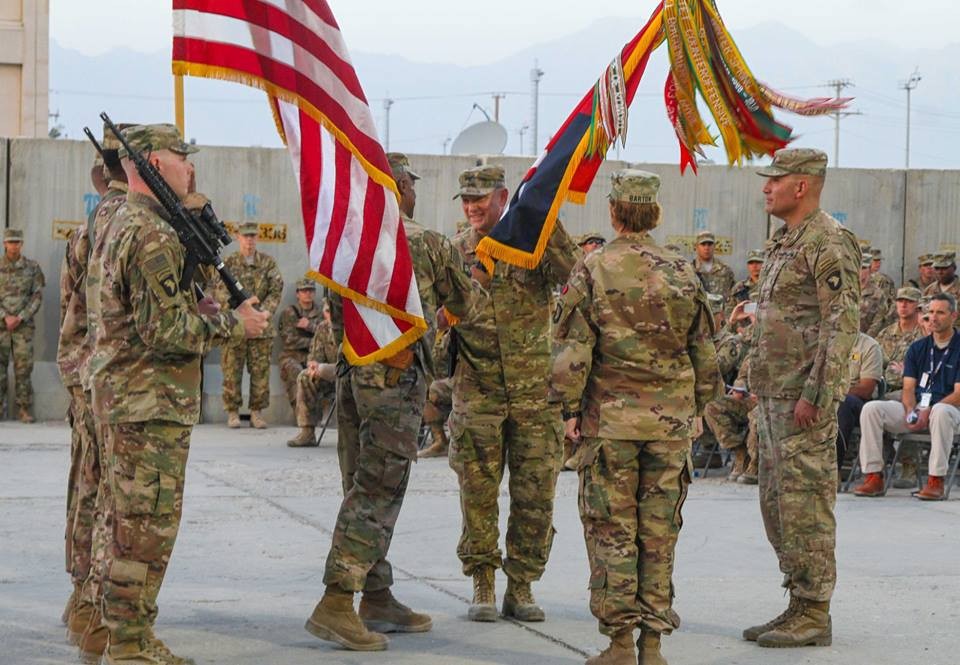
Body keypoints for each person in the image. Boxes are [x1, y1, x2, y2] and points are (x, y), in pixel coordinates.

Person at [86, 123, 268, 664]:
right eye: (180, 158)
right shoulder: (152, 235)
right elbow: (164, 332)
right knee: (144, 530)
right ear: (150, 166)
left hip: (125, 398)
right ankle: (129, 645)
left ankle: (110, 633)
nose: (190, 167)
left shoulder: (118, 220)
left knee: (117, 522)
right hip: (148, 403)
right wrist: (238, 326)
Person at [303, 152, 475, 651]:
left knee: (360, 483)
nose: (414, 193)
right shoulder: (425, 241)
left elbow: (335, 314)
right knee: (378, 490)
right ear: (397, 187)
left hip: (354, 375)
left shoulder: (346, 243)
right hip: (395, 384)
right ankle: (337, 601)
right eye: (410, 184)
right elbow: (466, 304)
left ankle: (376, 595)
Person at [549, 169, 721, 665]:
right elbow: (703, 351)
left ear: (614, 212)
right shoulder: (683, 270)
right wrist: (699, 407)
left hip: (611, 425)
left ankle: (620, 643)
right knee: (659, 532)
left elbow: (574, 351)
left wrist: (566, 409)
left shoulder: (594, 268)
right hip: (669, 427)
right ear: (655, 213)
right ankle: (653, 644)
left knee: (612, 530)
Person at [447, 164, 578, 623]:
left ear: (504, 197)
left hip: (535, 394)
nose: (471, 208)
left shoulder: (532, 241)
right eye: (465, 201)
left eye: (479, 200)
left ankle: (521, 585)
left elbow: (574, 275)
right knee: (477, 493)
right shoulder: (458, 249)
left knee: (535, 495)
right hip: (477, 391)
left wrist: (545, 217)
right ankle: (483, 582)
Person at [742, 148, 859, 649]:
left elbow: (841, 327)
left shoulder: (829, 242)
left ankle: (815, 611)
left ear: (802, 186)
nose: (766, 188)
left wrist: (818, 393)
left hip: (802, 401)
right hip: (773, 396)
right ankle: (797, 601)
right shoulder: (785, 241)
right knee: (777, 504)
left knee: (806, 504)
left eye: (775, 180)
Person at [59, 126, 131, 647]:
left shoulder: (89, 226)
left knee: (85, 485)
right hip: (104, 375)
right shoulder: (117, 224)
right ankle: (90, 603)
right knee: (103, 490)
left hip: (83, 373)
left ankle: (80, 596)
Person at [853, 293, 960, 500]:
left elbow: (958, 394)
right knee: (872, 409)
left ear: (953, 315)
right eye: (930, 313)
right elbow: (909, 388)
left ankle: (935, 480)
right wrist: (911, 410)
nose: (934, 318)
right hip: (920, 408)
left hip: (951, 412)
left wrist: (927, 410)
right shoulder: (918, 348)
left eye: (940, 312)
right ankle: (873, 476)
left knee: (940, 411)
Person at [218, 221, 283, 429]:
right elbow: (219, 290)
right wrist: (237, 313)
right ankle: (232, 412)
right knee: (231, 371)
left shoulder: (268, 263)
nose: (250, 240)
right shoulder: (228, 263)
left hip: (261, 327)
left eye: (253, 236)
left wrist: (265, 312)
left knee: (260, 372)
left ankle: (256, 412)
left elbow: (276, 289)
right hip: (235, 326)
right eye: (246, 236)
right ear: (238, 238)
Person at [703, 301, 758, 483]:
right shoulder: (755, 343)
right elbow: (743, 373)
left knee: (759, 414)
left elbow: (719, 366)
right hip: (748, 399)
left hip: (770, 400)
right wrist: (739, 387)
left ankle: (755, 463)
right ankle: (739, 452)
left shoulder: (780, 339)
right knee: (712, 406)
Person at [0, 228, 44, 422]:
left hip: (23, 328)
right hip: (1, 327)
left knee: (23, 369)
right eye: (10, 242)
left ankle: (24, 409)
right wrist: (4, 317)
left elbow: (37, 296)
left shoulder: (32, 268)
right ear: (4, 244)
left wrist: (20, 317)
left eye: (17, 242)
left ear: (21, 244)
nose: (14, 245)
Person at [286, 299, 338, 448]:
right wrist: (314, 365)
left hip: (348, 375)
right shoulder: (322, 328)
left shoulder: (351, 327)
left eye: (334, 312)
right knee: (305, 376)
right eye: (328, 312)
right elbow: (314, 357)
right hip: (329, 376)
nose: (332, 316)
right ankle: (307, 432)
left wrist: (323, 368)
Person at [835, 332, 883, 462]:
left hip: (857, 401)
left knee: (844, 403)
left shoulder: (869, 346)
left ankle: (835, 466)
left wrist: (836, 392)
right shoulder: (825, 343)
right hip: (828, 397)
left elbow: (866, 389)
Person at [278, 279, 324, 411]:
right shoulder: (290, 313)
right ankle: (301, 413)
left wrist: (310, 326)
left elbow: (327, 337)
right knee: (296, 372)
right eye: (304, 291)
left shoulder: (321, 313)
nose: (307, 293)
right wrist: (314, 342)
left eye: (310, 290)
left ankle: (317, 412)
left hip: (314, 357)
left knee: (322, 374)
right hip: (291, 356)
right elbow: (289, 341)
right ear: (298, 294)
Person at [692, 230, 735, 311]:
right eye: (703, 244)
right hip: (700, 317)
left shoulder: (725, 270)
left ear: (714, 246)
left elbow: (733, 296)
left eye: (710, 244)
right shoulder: (690, 270)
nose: (706, 247)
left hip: (721, 317)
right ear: (697, 247)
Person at [859, 253, 893, 338]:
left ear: (870, 270)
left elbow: (878, 323)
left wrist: (863, 342)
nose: (860, 271)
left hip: (866, 342)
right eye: (857, 267)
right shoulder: (847, 292)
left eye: (863, 268)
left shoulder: (877, 295)